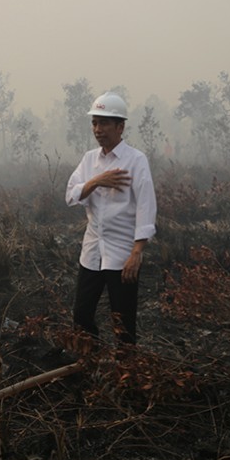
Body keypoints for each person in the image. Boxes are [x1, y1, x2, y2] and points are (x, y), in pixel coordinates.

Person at [66, 91, 157, 346]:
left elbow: (146, 208)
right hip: (92, 252)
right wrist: (96, 181)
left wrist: (136, 253)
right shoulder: (89, 160)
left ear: (120, 126)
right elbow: (70, 196)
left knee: (123, 321)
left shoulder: (136, 161)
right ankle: (89, 362)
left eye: (104, 123)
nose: (98, 129)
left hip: (122, 255)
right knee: (81, 314)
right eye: (95, 123)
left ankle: (126, 374)